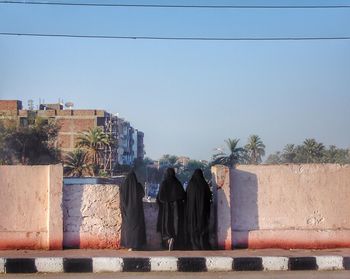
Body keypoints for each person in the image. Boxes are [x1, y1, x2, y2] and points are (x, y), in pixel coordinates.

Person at [156, 168, 186, 250]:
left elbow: (160, 198)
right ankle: (174, 241)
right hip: (177, 209)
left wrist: (166, 201)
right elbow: (183, 195)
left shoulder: (164, 183)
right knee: (176, 225)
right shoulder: (178, 183)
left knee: (167, 224)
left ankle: (169, 239)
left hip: (166, 209)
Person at [120, 170, 146, 251]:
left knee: (128, 228)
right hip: (137, 211)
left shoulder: (123, 186)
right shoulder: (138, 186)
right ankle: (137, 244)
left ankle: (129, 245)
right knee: (137, 228)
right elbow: (143, 194)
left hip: (127, 212)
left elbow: (122, 200)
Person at [186, 169, 212, 250]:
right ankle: (203, 245)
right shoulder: (204, 184)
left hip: (192, 212)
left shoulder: (191, 184)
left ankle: (194, 245)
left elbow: (186, 197)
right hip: (203, 212)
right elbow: (209, 196)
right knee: (203, 226)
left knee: (193, 227)